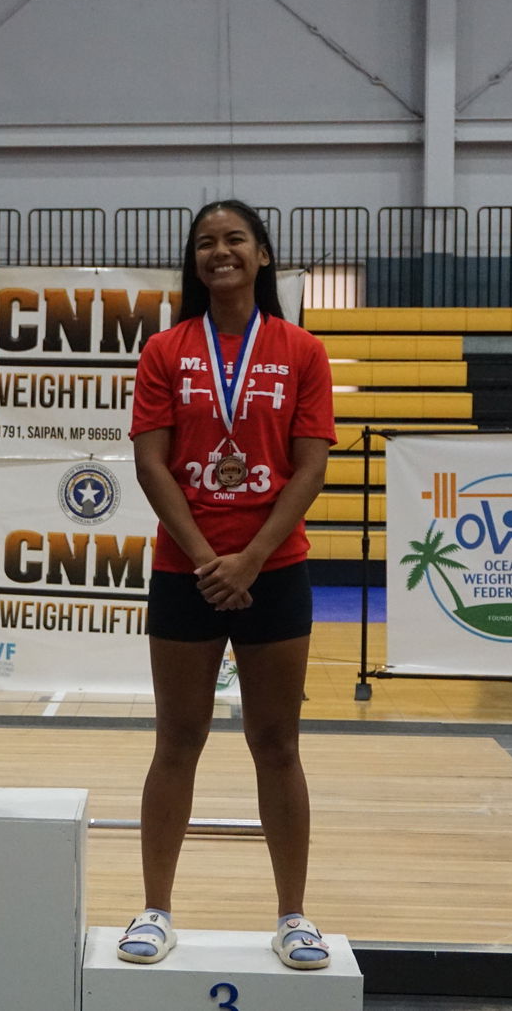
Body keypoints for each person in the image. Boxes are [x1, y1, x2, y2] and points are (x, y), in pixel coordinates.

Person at [117, 200, 336, 967]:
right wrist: (209, 556)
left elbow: (310, 465)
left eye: (235, 239)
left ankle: (294, 916)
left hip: (275, 569)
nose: (220, 252)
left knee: (277, 742)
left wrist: (249, 559)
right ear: (194, 261)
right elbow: (151, 462)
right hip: (187, 569)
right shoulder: (166, 350)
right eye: (206, 243)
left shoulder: (302, 349)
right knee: (177, 738)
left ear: (263, 255)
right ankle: (153, 910)